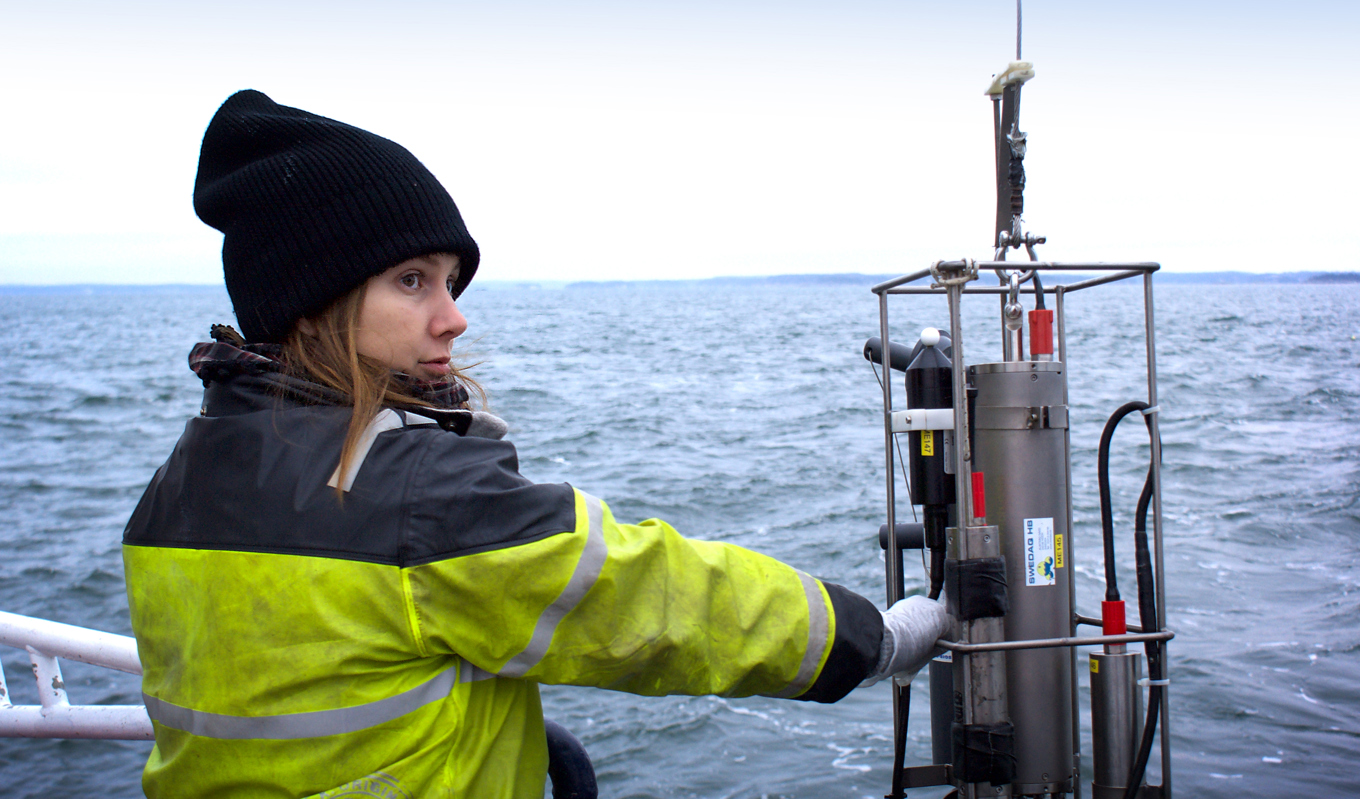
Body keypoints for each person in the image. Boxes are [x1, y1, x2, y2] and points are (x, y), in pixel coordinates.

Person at [122, 89, 950, 799]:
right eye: (412, 280)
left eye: (450, 280)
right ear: (312, 303)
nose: (453, 315)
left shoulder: (176, 482)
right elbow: (657, 599)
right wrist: (875, 636)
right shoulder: (416, 493)